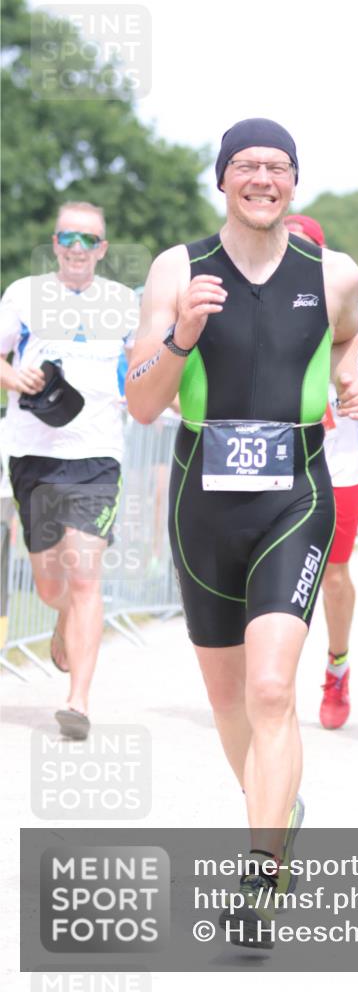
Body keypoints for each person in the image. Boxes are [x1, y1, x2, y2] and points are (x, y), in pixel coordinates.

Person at [125, 118, 358, 947]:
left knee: (272, 691)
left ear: (294, 182)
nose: (262, 178)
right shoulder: (178, 268)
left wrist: (356, 383)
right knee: (229, 700)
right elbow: (141, 401)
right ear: (222, 179)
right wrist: (180, 335)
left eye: (277, 166)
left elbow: (343, 347)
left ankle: (258, 882)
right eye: (246, 165)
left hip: (295, 499)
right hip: (204, 498)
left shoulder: (334, 274)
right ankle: (279, 815)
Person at [0, 201, 139, 740]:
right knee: (51, 585)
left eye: (89, 240)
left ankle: (78, 701)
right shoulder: (24, 294)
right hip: (33, 452)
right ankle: (62, 618)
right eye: (68, 238)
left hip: (98, 456)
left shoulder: (123, 301)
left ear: (103, 248)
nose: (78, 248)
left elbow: (144, 364)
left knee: (84, 574)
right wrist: (15, 379)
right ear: (55, 243)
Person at [284, 214, 358, 730]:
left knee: (332, 576)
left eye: (302, 249)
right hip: (276, 464)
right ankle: (271, 678)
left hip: (339, 466)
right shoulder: (255, 306)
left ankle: (337, 666)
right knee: (270, 577)